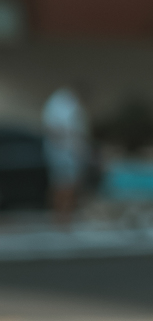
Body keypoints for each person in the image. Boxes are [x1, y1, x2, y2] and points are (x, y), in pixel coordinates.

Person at [41, 86, 90, 223]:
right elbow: (52, 129)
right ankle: (60, 216)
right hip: (61, 153)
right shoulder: (59, 104)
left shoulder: (72, 106)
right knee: (62, 185)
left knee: (70, 185)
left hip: (70, 153)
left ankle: (66, 215)